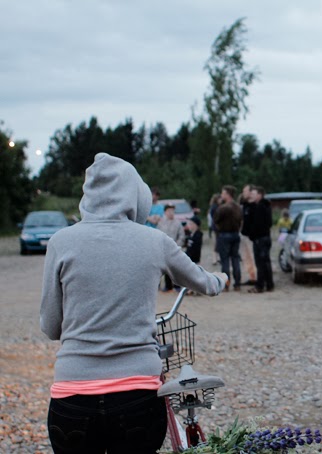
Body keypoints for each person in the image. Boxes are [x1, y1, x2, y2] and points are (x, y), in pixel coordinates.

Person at [40, 153, 227, 454]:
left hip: (72, 395)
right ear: (135, 194)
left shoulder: (60, 242)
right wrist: (221, 278)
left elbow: (51, 327)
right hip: (137, 395)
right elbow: (204, 282)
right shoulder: (154, 241)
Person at [213, 185, 243, 291]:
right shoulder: (238, 207)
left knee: (225, 261)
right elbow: (241, 220)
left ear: (227, 194)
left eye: (223, 193)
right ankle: (237, 283)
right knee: (235, 259)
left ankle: (226, 284)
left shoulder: (223, 208)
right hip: (235, 234)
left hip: (224, 235)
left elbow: (215, 219)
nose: (221, 195)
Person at [246, 185, 274, 293]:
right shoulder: (265, 205)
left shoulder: (260, 207)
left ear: (259, 195)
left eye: (253, 194)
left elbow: (257, 224)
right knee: (265, 262)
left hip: (260, 239)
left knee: (261, 263)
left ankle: (260, 286)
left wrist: (252, 235)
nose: (251, 196)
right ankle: (269, 284)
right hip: (264, 238)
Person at [157, 204, 186, 291]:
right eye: (169, 211)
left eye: (172, 211)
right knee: (164, 267)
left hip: (174, 249)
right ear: (165, 212)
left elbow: (182, 236)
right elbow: (157, 235)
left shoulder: (177, 223)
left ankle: (177, 286)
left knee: (175, 268)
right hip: (163, 249)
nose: (171, 213)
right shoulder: (161, 222)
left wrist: (177, 245)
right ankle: (166, 285)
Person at [239, 184, 258, 284]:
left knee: (253, 256)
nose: (243, 193)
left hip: (252, 237)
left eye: (245, 191)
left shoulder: (255, 206)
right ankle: (252, 277)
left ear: (251, 192)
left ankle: (257, 277)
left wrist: (253, 235)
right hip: (244, 235)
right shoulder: (245, 205)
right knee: (246, 258)